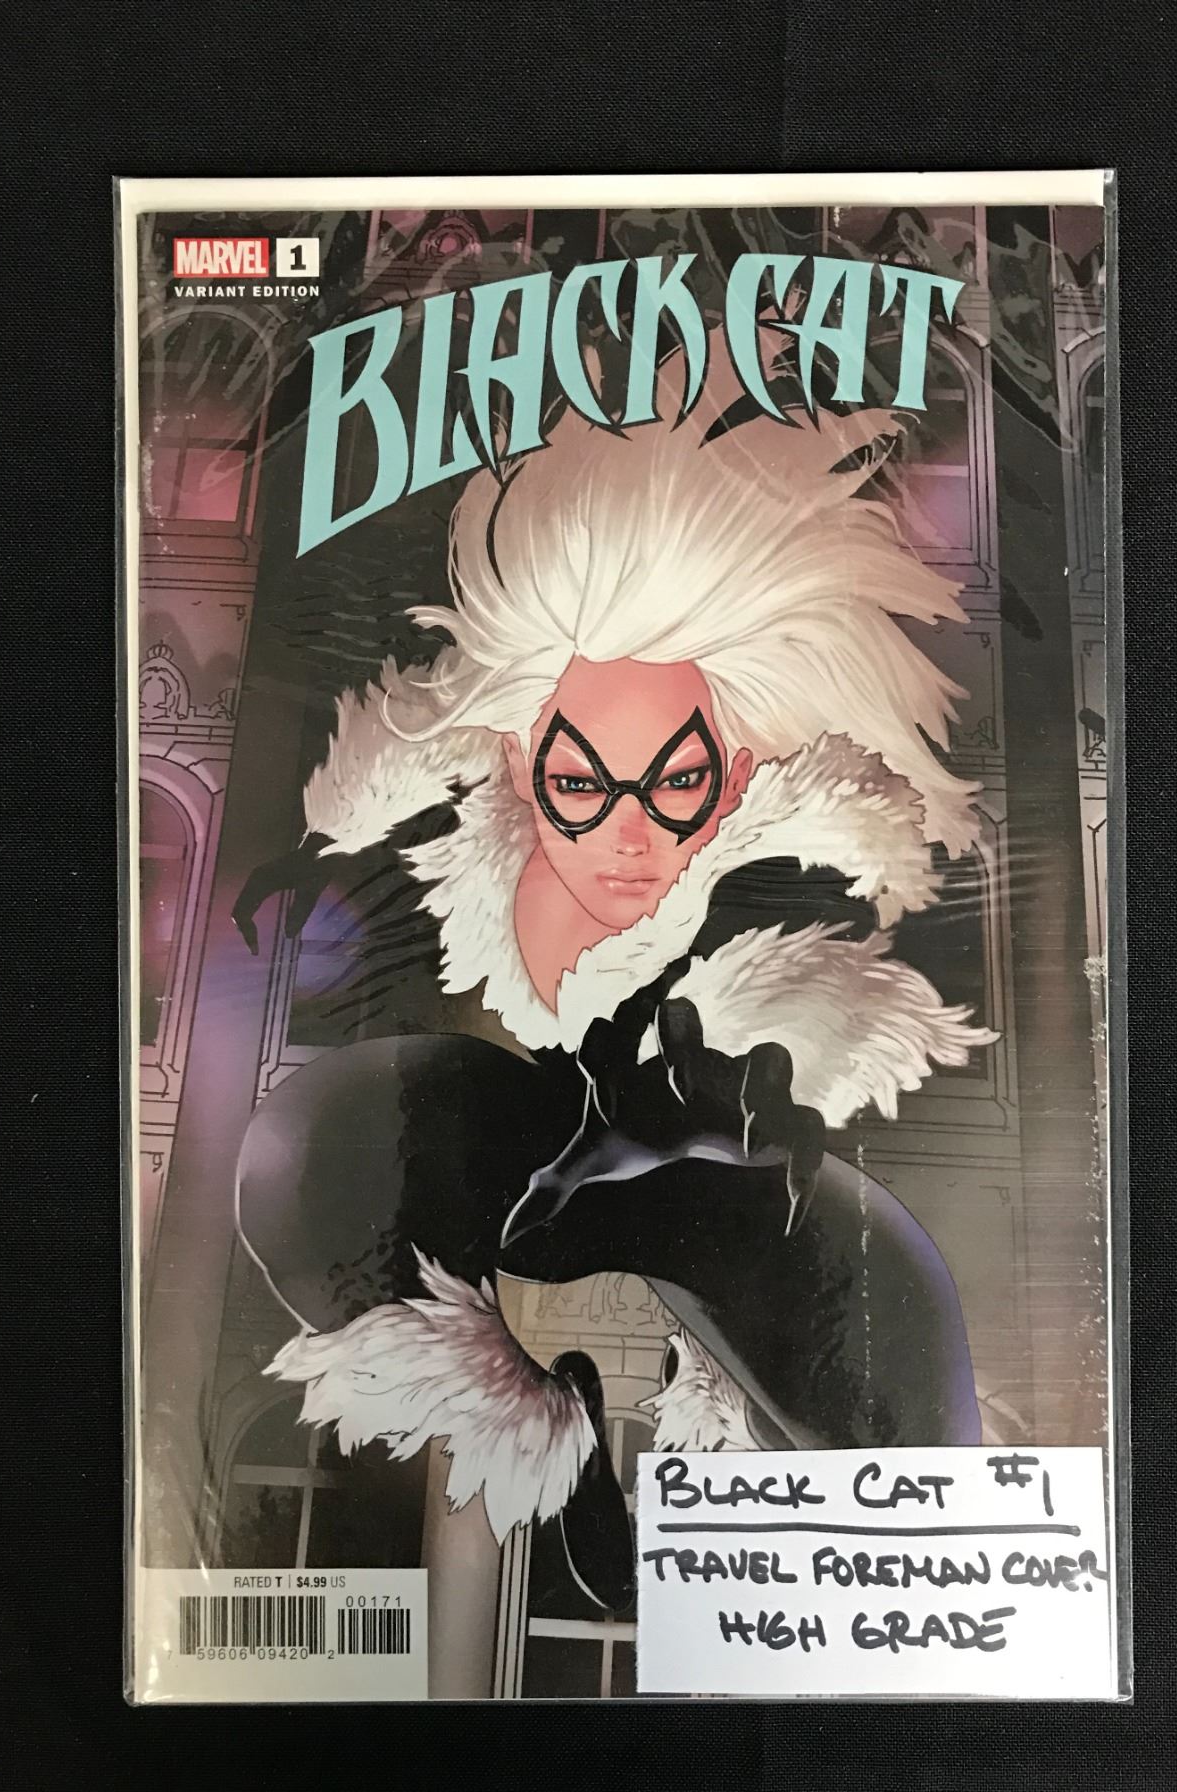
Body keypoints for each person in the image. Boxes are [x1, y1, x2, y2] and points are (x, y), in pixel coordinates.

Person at [233, 342, 993, 1608]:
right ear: (524, 761)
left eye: (676, 783)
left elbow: (817, 1041)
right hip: (530, 1181)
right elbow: (407, 749)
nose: (629, 835)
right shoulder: (477, 828)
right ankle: (569, 1451)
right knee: (305, 1148)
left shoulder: (767, 888)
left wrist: (722, 1123)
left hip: (740, 1216)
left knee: (879, 1369)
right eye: (584, 784)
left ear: (733, 775)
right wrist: (314, 845)